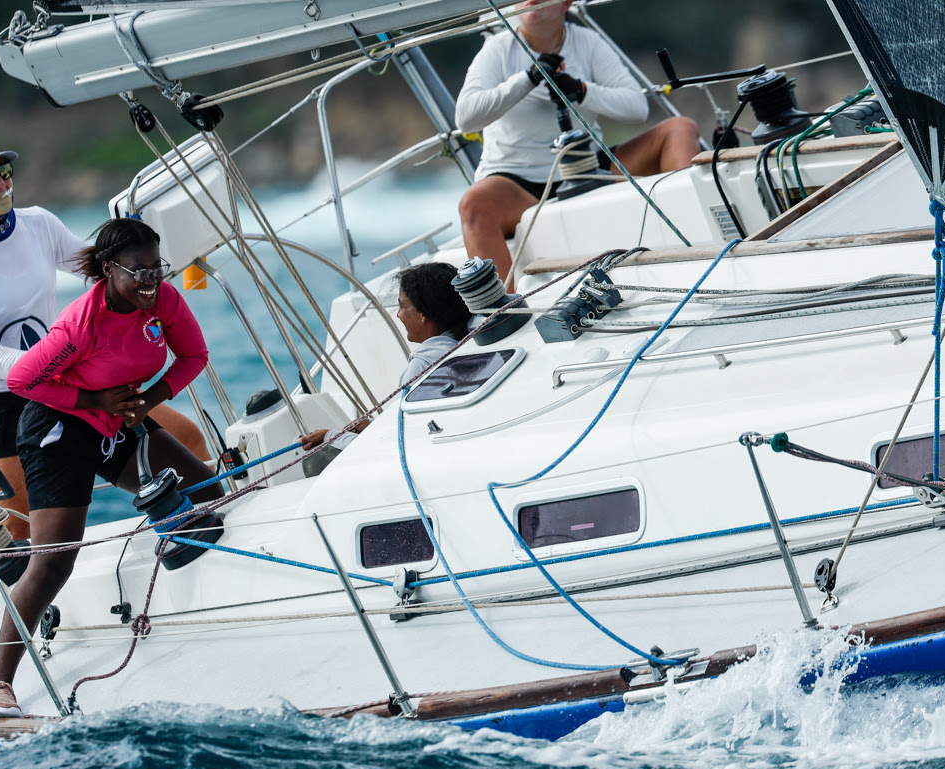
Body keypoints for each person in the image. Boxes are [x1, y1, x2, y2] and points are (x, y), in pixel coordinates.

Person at [0, 218, 224, 718]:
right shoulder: (81, 323)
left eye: (156, 267)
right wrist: (93, 397)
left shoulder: (163, 299)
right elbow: (21, 379)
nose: (150, 280)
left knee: (210, 490)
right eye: (138, 271)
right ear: (109, 270)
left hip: (114, 422)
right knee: (55, 559)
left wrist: (148, 400)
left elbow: (194, 355)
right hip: (56, 433)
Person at [0, 140, 213, 540]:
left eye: (4, 172)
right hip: (7, 400)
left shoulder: (38, 224)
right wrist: (43, 364)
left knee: (187, 439)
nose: (0, 183)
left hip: (71, 377)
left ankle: (205, 527)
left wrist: (136, 263)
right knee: (19, 533)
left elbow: (98, 268)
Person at [455, 0, 702, 280]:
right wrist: (527, 78)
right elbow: (465, 117)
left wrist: (582, 89)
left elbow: (637, 107)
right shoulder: (499, 48)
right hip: (518, 184)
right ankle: (504, 313)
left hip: (590, 169)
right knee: (473, 203)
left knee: (680, 129)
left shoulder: (587, 42)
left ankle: (696, 249)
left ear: (566, 4)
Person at [299, 262, 471, 453]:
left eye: (402, 306)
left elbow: (394, 444)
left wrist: (329, 437)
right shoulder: (469, 343)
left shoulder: (423, 365)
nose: (398, 315)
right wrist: (373, 425)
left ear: (422, 313)